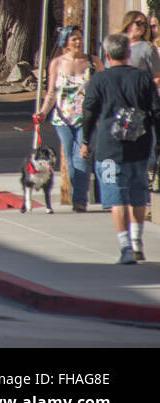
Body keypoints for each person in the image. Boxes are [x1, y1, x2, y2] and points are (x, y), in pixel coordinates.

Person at [80, 32, 160, 263]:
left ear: (106, 55)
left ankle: (125, 247)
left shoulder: (99, 80)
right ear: (128, 53)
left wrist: (86, 140)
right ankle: (137, 242)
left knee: (117, 197)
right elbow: (156, 112)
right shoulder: (143, 78)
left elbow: (89, 112)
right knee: (137, 195)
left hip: (109, 147)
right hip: (140, 142)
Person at [33, 25, 102, 212]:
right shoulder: (57, 63)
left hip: (86, 119)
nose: (78, 42)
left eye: (80, 38)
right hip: (63, 119)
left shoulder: (93, 62)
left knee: (82, 157)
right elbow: (51, 93)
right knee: (70, 160)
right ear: (66, 43)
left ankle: (79, 200)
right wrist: (42, 111)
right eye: (74, 39)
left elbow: (102, 89)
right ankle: (76, 195)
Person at [120, 10, 160, 88]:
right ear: (129, 24)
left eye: (144, 24)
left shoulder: (147, 48)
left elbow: (157, 76)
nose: (142, 27)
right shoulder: (116, 45)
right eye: (139, 23)